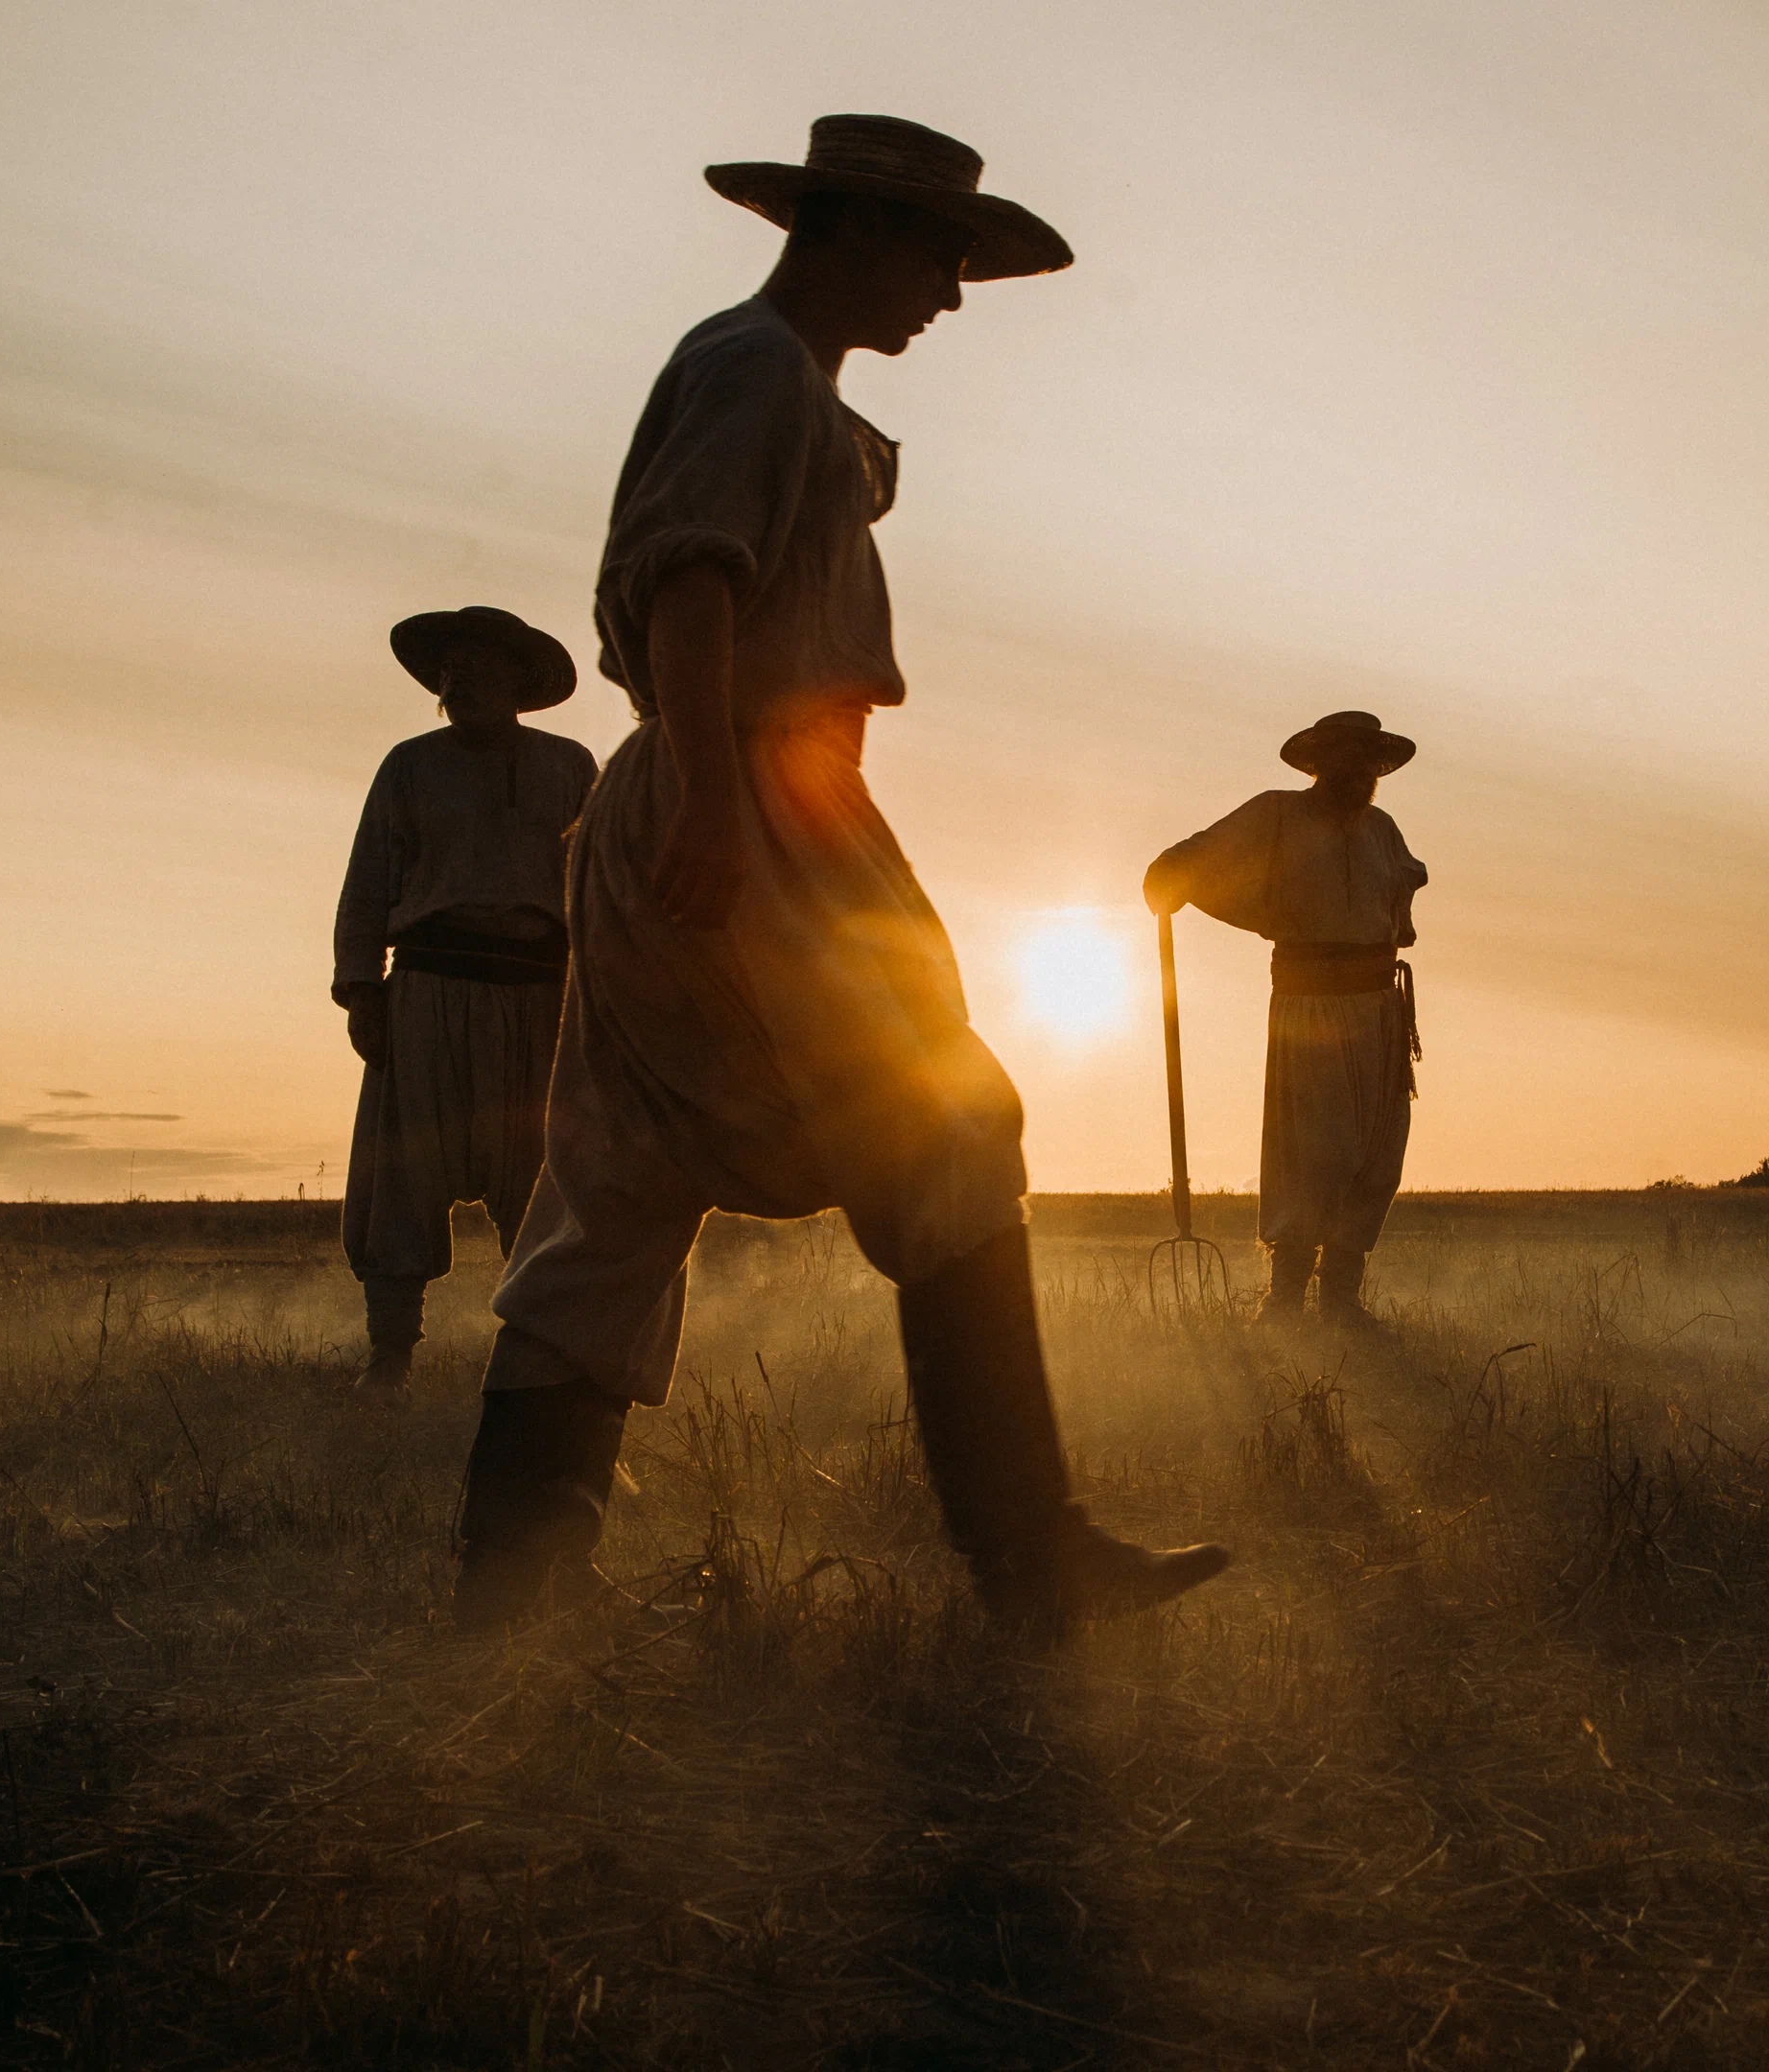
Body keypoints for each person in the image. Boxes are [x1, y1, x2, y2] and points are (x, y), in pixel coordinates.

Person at [451, 113, 1229, 1635]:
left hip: (710, 788)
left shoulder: (777, 383)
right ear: (851, 232)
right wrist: (715, 802)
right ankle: (1032, 1558)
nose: (950, 293)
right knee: (947, 1120)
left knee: (616, 1182)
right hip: (750, 796)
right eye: (940, 256)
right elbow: (691, 570)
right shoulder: (753, 370)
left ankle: (514, 1591)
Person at [330, 606, 601, 1387]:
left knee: (544, 1181)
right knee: (402, 1177)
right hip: (425, 992)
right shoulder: (408, 767)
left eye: (480, 668)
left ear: (518, 681)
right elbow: (366, 887)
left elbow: (598, 887)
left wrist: (599, 1003)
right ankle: (389, 1357)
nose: (460, 682)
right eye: (450, 672)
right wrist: (360, 991)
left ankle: (545, 1361)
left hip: (539, 1000)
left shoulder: (568, 766)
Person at [1144, 712, 1427, 1324]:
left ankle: (1343, 1298)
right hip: (1309, 1005)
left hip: (1380, 1011)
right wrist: (1168, 876)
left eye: (1369, 767)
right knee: (1313, 1149)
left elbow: (1399, 910)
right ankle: (1285, 1299)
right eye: (1348, 765)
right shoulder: (1276, 815)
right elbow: (1193, 858)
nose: (1361, 777)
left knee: (1376, 1152)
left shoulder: (1383, 831)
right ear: (1322, 765)